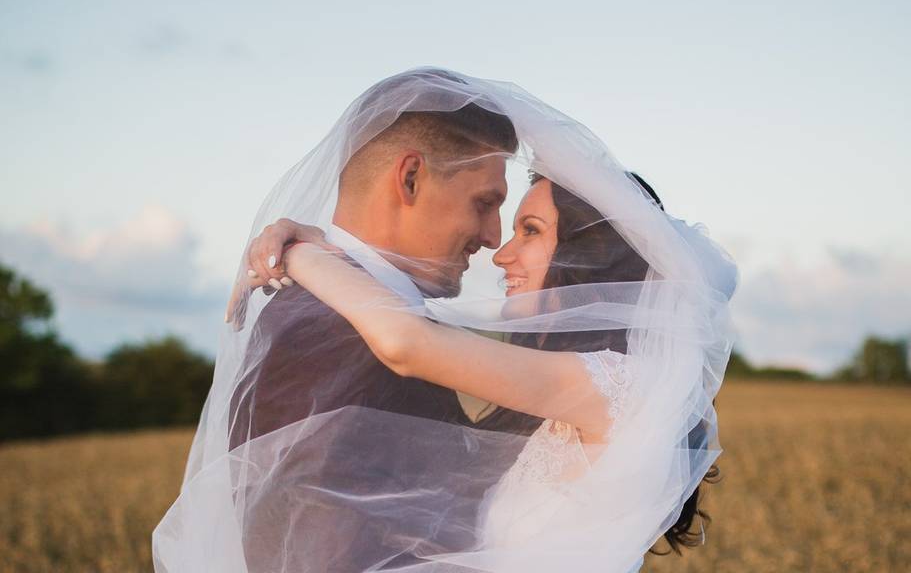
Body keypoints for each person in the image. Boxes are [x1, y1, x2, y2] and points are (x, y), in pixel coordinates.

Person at [153, 67, 737, 573]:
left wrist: (302, 251)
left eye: (527, 231)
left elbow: (406, 345)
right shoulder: (325, 326)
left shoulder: (612, 389)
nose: (495, 247)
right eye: (489, 207)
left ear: (588, 258)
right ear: (409, 178)